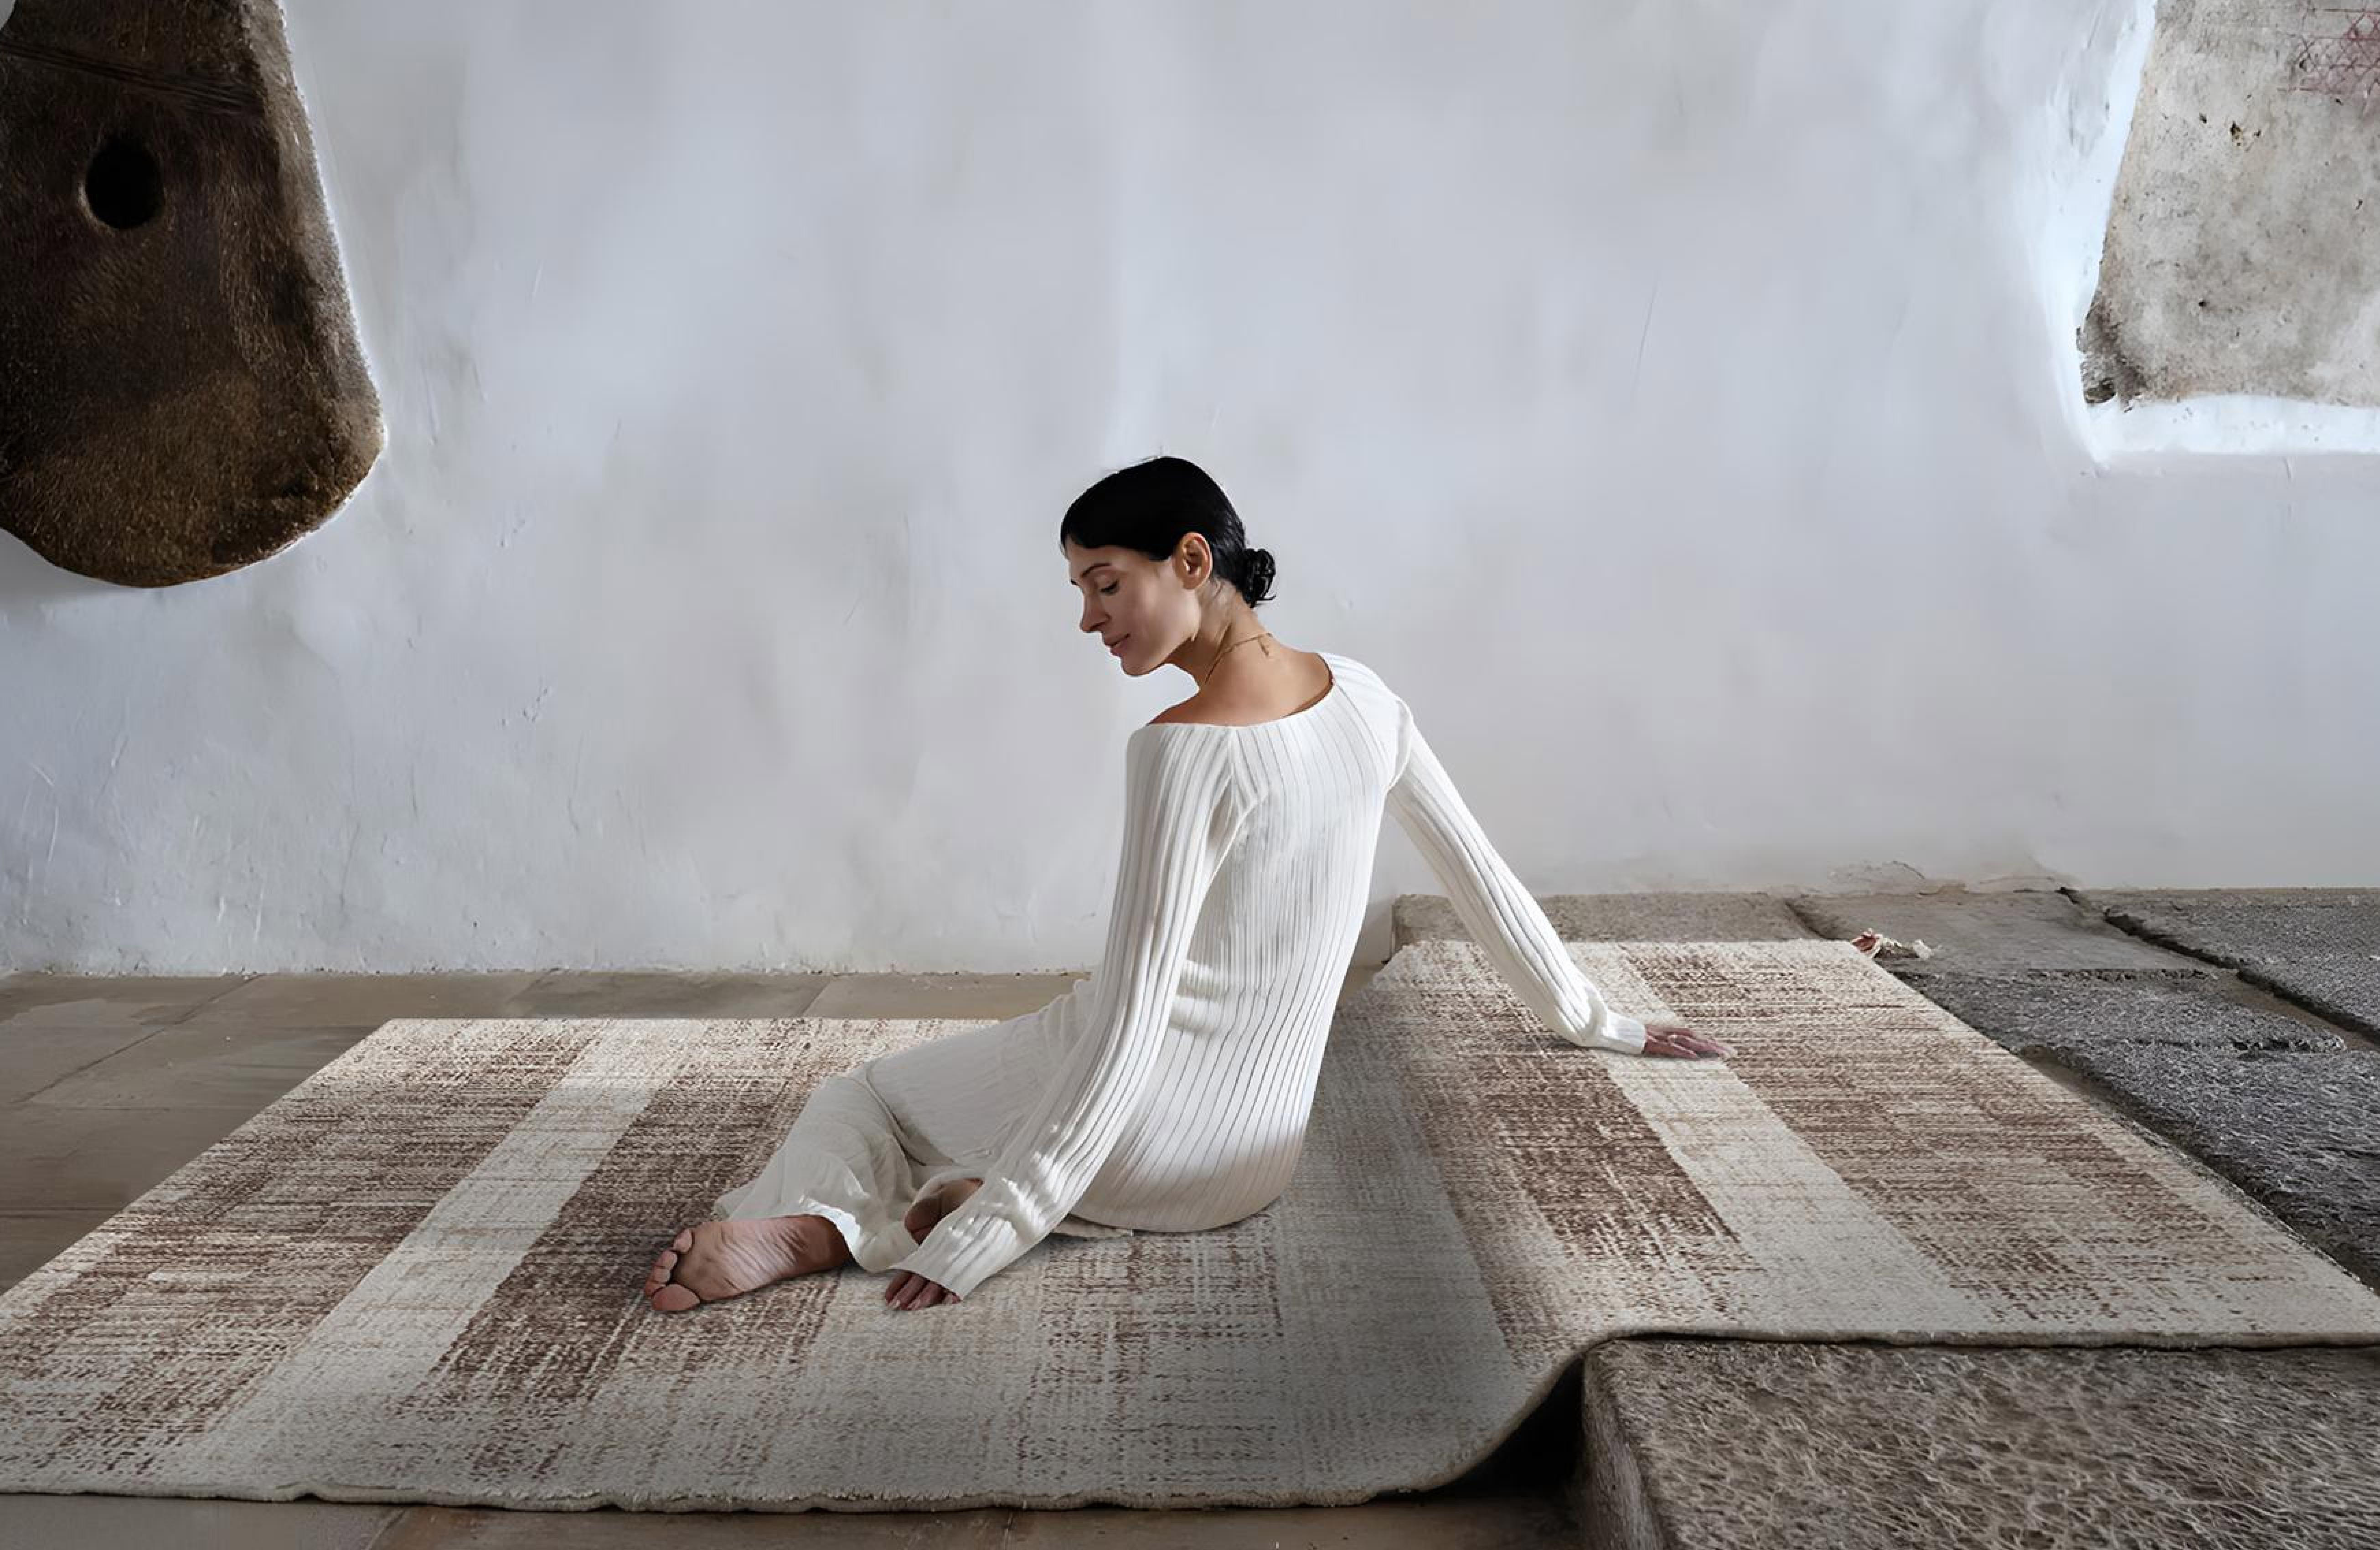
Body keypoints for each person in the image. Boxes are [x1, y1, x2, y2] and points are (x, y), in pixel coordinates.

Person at [642, 456, 1728, 1317]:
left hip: (1141, 1134)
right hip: (1252, 1161)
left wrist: (999, 1232)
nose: (1088, 617)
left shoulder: (1182, 749)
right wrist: (1600, 1022)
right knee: (989, 1109)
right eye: (1082, 590)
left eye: (1105, 583)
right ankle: (965, 1193)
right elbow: (1479, 877)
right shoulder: (1366, 700)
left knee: (866, 1099)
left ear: (1193, 560)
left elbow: (1127, 1021)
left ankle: (833, 1226)